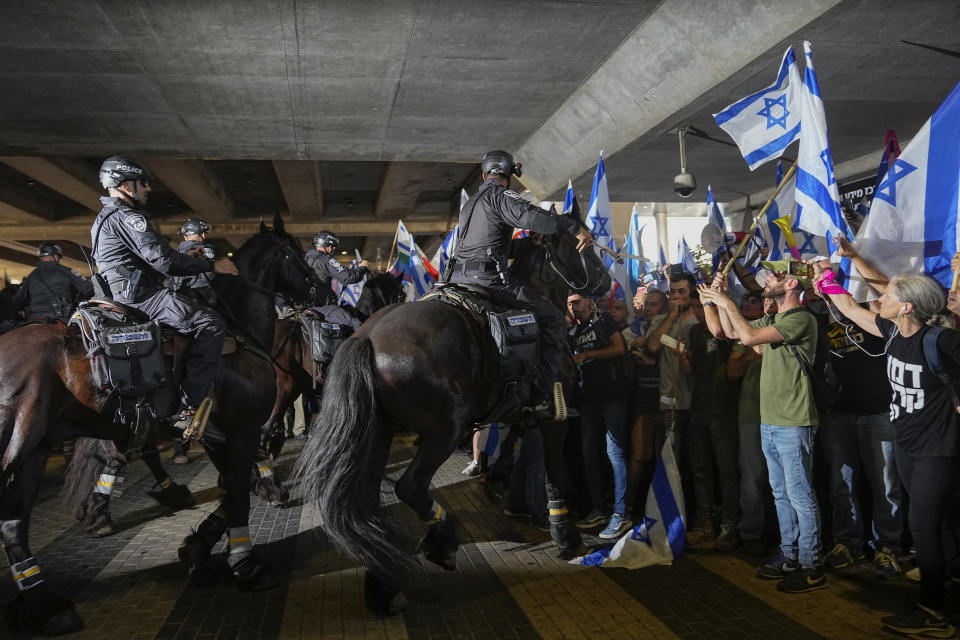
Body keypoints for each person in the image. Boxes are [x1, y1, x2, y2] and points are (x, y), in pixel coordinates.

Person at [811, 262, 958, 638]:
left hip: (935, 450)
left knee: (922, 528)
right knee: (935, 526)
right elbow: (849, 309)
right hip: (907, 444)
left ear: (907, 306)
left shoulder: (939, 341)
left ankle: (934, 614)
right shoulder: (891, 333)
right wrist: (827, 279)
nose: (880, 298)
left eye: (889, 295)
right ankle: (944, 591)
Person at [699, 259, 826, 594]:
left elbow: (750, 333)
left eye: (777, 275)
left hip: (794, 420)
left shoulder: (800, 318)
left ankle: (812, 565)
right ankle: (788, 555)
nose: (768, 277)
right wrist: (719, 300)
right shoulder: (775, 318)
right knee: (781, 494)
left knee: (800, 495)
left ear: (793, 285)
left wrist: (724, 301)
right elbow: (731, 333)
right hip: (770, 420)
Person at [91, 156, 238, 429]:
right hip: (142, 297)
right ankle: (189, 406)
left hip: (119, 294)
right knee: (211, 324)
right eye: (143, 184)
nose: (147, 189)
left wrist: (186, 258)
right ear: (125, 185)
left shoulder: (105, 217)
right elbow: (163, 262)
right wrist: (210, 264)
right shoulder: (128, 217)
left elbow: (152, 257)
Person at [446, 150, 593, 414]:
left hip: (457, 278)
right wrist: (572, 227)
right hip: (489, 281)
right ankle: (541, 396)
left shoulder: (472, 203)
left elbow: (487, 244)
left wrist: (527, 243)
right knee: (554, 319)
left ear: (484, 175)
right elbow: (531, 216)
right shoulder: (501, 195)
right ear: (510, 176)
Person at [567, 292, 631, 538]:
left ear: (588, 302)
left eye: (577, 302)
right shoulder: (573, 334)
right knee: (589, 455)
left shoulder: (603, 319)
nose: (574, 307)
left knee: (614, 453)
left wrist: (587, 355)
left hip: (612, 397)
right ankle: (597, 509)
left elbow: (618, 348)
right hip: (588, 402)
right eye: (569, 304)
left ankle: (621, 513)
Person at [13, 243, 93, 323]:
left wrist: (20, 309)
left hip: (35, 319)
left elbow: (18, 300)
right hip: (64, 320)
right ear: (55, 256)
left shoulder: (31, 276)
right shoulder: (67, 272)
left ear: (41, 257)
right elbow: (88, 289)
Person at [305, 230, 367, 329]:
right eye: (332, 246)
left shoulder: (304, 258)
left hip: (301, 306)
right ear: (326, 244)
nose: (332, 249)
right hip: (322, 308)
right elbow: (349, 277)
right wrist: (362, 268)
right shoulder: (325, 260)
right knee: (357, 324)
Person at [173, 218, 218, 305]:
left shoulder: (176, 253)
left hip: (177, 297)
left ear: (185, 237)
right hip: (202, 298)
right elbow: (210, 275)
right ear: (203, 234)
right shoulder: (205, 250)